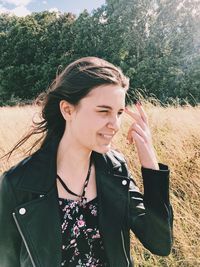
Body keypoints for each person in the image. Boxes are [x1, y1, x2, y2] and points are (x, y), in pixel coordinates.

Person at [0, 57, 173, 267]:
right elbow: (7, 260)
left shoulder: (115, 171)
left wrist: (150, 163)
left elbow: (160, 243)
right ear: (67, 110)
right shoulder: (18, 184)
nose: (115, 125)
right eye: (103, 111)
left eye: (119, 113)